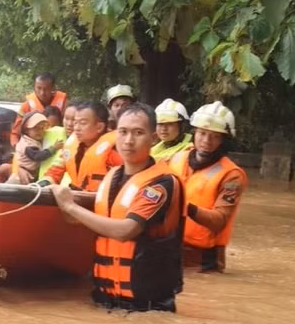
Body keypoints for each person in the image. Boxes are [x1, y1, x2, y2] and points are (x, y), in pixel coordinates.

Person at [52, 103, 185, 312]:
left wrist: (70, 206)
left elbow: (125, 231)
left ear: (153, 138)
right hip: (105, 299)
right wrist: (63, 201)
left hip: (146, 306)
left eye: (138, 133)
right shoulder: (112, 176)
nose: (128, 140)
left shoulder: (161, 183)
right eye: (123, 132)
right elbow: (79, 220)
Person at [166, 101, 247, 272]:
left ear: (223, 140)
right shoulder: (177, 159)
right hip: (170, 247)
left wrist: (185, 207)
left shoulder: (232, 175)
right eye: (202, 133)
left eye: (214, 136)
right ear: (195, 133)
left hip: (203, 258)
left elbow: (219, 220)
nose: (206, 141)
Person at [41, 101, 121, 192]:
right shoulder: (71, 147)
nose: (76, 128)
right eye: (76, 123)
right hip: (76, 196)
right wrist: (44, 183)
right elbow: (55, 171)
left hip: (101, 198)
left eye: (82, 123)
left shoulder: (114, 151)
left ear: (99, 127)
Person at [11, 72, 69, 145]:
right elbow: (15, 133)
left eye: (46, 89)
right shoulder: (26, 105)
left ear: (53, 88)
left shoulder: (64, 104)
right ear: (34, 87)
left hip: (58, 145)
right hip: (33, 147)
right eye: (39, 88)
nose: (42, 93)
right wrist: (16, 147)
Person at [7, 112, 61, 185]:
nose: (40, 131)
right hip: (23, 173)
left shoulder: (33, 140)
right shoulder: (28, 145)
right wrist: (53, 148)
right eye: (36, 128)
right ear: (26, 130)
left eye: (42, 128)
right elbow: (38, 156)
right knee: (12, 187)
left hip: (28, 173)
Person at [39, 101, 78, 183]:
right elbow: (25, 145)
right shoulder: (49, 132)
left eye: (74, 119)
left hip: (68, 188)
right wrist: (17, 170)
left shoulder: (87, 142)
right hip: (43, 184)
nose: (69, 124)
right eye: (66, 118)